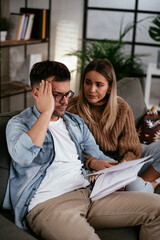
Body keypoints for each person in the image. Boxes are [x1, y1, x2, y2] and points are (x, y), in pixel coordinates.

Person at [3, 60, 160, 240]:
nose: (64, 101)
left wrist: (114, 170)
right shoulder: (19, 124)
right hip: (50, 204)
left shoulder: (74, 122)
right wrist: (45, 113)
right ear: (38, 93)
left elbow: (97, 155)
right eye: (57, 95)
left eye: (67, 94)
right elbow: (22, 156)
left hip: (89, 193)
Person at [67, 58, 160, 193]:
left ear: (109, 86)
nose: (92, 90)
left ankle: (144, 182)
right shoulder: (72, 108)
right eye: (88, 83)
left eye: (99, 85)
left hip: (123, 164)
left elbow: (132, 147)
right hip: (96, 167)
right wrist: (92, 162)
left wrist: (125, 164)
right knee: (136, 189)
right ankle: (150, 184)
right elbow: (69, 149)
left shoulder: (121, 107)